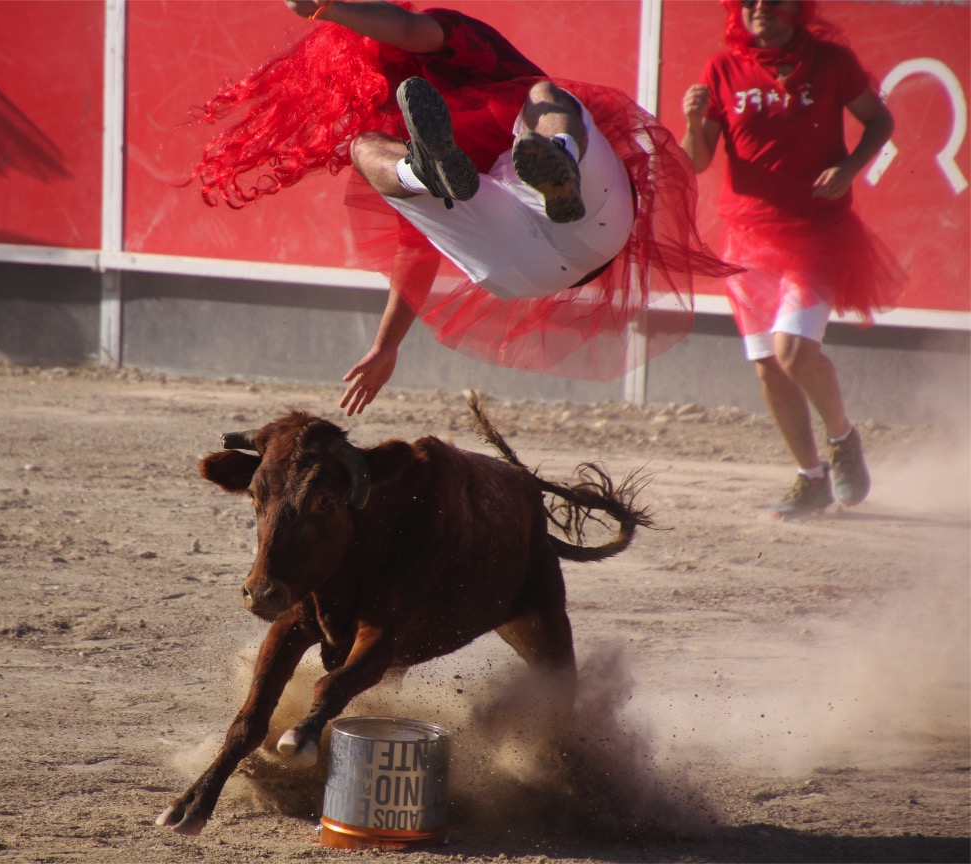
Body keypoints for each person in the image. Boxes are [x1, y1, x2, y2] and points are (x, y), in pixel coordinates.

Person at [190, 0, 736, 414]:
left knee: (368, 150)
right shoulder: (435, 66)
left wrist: (386, 348)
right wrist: (329, 6)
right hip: (596, 223)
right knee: (543, 98)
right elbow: (409, 30)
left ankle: (488, 171)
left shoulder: (404, 97)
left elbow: (417, 256)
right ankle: (539, 163)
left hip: (511, 265)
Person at [680, 0, 906, 518]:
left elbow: (879, 119)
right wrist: (692, 120)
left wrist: (849, 168)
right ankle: (811, 479)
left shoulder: (830, 61)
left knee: (794, 352)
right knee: (768, 366)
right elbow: (696, 159)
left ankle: (842, 439)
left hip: (817, 232)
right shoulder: (722, 69)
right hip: (748, 239)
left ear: (797, 7)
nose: (760, 7)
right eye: (749, 0)